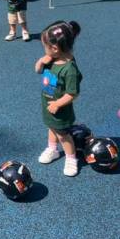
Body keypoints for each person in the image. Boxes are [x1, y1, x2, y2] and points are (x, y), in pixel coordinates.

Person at [35, 21, 83, 177]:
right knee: (51, 127)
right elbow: (37, 70)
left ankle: (71, 158)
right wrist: (41, 61)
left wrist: (57, 103)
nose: (45, 50)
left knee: (63, 134)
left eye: (45, 47)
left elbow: (72, 93)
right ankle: (52, 149)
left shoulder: (69, 69)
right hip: (48, 104)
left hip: (60, 108)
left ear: (55, 48)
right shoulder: (52, 58)